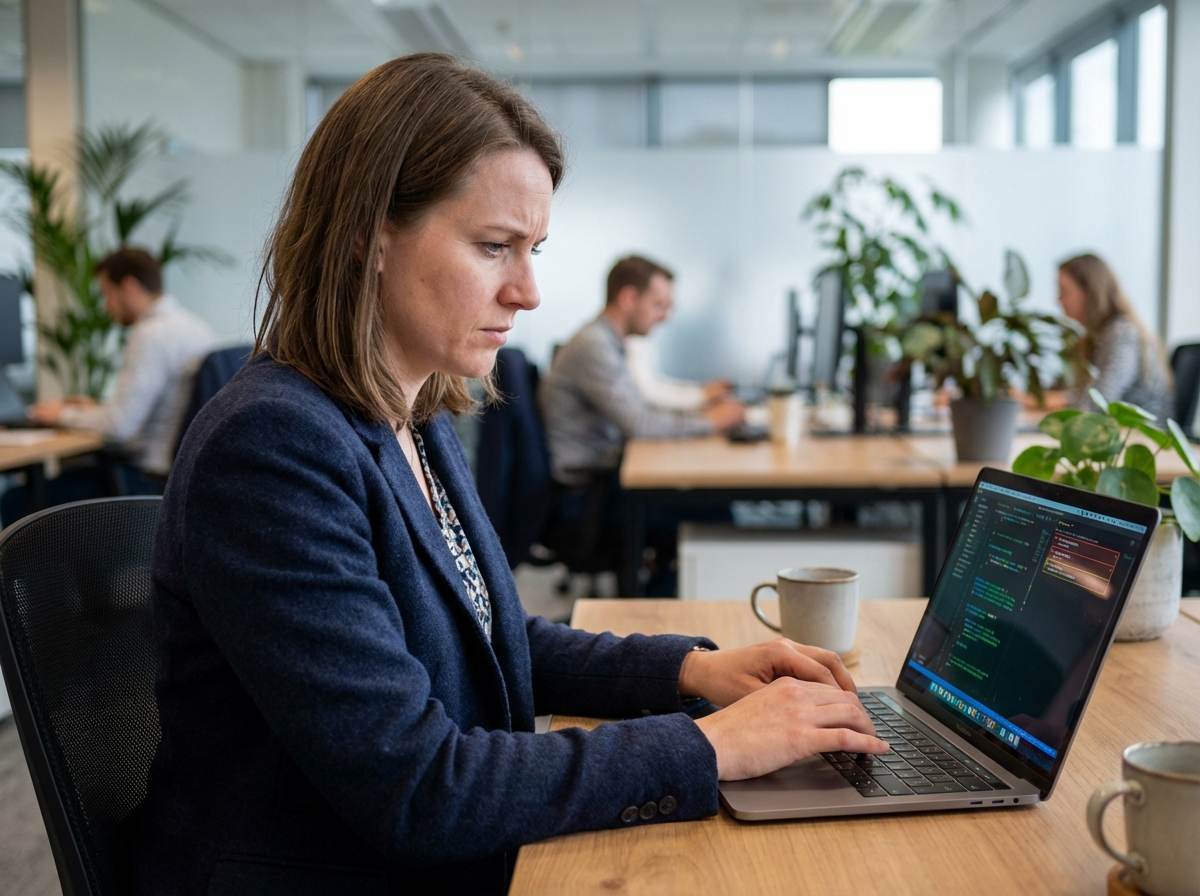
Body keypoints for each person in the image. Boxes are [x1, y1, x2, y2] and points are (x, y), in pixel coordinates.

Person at [130, 54, 885, 896]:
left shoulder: (412, 412)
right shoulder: (273, 447)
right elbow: (420, 790)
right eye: (495, 247)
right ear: (365, 237)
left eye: (533, 249)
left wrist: (687, 673)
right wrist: (712, 745)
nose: (528, 291)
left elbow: (489, 635)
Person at [539, 255, 745, 484]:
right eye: (658, 305)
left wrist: (702, 416)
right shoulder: (594, 345)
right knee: (709, 502)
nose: (665, 317)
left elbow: (640, 409)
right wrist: (711, 423)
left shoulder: (610, 341)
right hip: (591, 483)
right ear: (628, 298)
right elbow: (638, 424)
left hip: (606, 467)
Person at [28, 247, 216, 491]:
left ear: (129, 286)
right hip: (184, 478)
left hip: (147, 482)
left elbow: (120, 427)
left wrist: (59, 415)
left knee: (15, 499)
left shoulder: (150, 334)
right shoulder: (195, 326)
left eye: (107, 294)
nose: (106, 307)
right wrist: (97, 410)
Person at [1057, 253, 1172, 422]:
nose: (1058, 299)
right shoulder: (1092, 337)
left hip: (1142, 437)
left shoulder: (1122, 334)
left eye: (1064, 291)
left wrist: (1056, 400)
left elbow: (1098, 402)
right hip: (1113, 432)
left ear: (1089, 292)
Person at [626, 333, 733, 411]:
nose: (665, 316)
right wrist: (701, 396)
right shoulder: (630, 340)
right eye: (658, 305)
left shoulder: (640, 339)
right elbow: (646, 394)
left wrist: (703, 392)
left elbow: (656, 384)